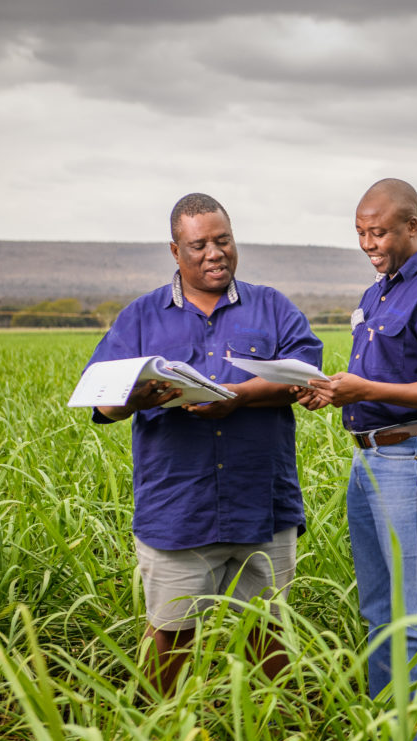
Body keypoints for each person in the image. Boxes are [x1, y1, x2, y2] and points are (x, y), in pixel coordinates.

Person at [84, 192, 323, 695]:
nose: (214, 253)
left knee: (268, 633)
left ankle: (280, 732)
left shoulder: (273, 307)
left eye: (223, 240)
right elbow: (103, 402)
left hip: (262, 502)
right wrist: (140, 397)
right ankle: (154, 738)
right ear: (175, 251)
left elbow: (306, 378)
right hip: (178, 508)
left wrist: (235, 396)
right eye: (199, 246)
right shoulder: (141, 316)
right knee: (170, 635)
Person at [295, 178, 417, 736]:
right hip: (368, 461)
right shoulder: (377, 294)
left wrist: (367, 390)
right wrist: (329, 391)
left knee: (414, 610)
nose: (368, 243)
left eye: (378, 232)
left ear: (411, 227)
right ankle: (387, 724)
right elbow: (375, 379)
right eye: (360, 233)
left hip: (411, 455)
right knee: (377, 605)